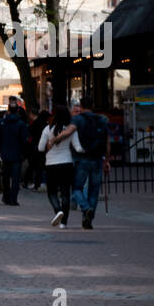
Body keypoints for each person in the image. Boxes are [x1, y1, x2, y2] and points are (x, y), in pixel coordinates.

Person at [47, 96, 110, 229]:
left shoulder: (78, 119)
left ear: (81, 106)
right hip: (98, 159)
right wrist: (107, 160)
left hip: (82, 159)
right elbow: (107, 142)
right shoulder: (102, 120)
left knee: (77, 188)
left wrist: (54, 140)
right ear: (92, 105)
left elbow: (68, 132)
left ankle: (85, 208)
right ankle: (88, 219)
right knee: (94, 190)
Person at [39, 104, 81, 228]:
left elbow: (40, 148)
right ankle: (64, 223)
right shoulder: (71, 129)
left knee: (51, 192)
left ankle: (58, 211)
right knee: (65, 193)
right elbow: (77, 147)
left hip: (51, 164)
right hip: (67, 163)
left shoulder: (48, 129)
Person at [0, 103, 30, 205]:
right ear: (17, 110)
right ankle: (13, 198)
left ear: (8, 110)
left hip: (5, 153)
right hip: (17, 154)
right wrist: (24, 153)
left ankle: (6, 196)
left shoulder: (2, 122)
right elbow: (25, 140)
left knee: (5, 177)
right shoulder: (21, 124)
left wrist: (0, 149)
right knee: (15, 178)